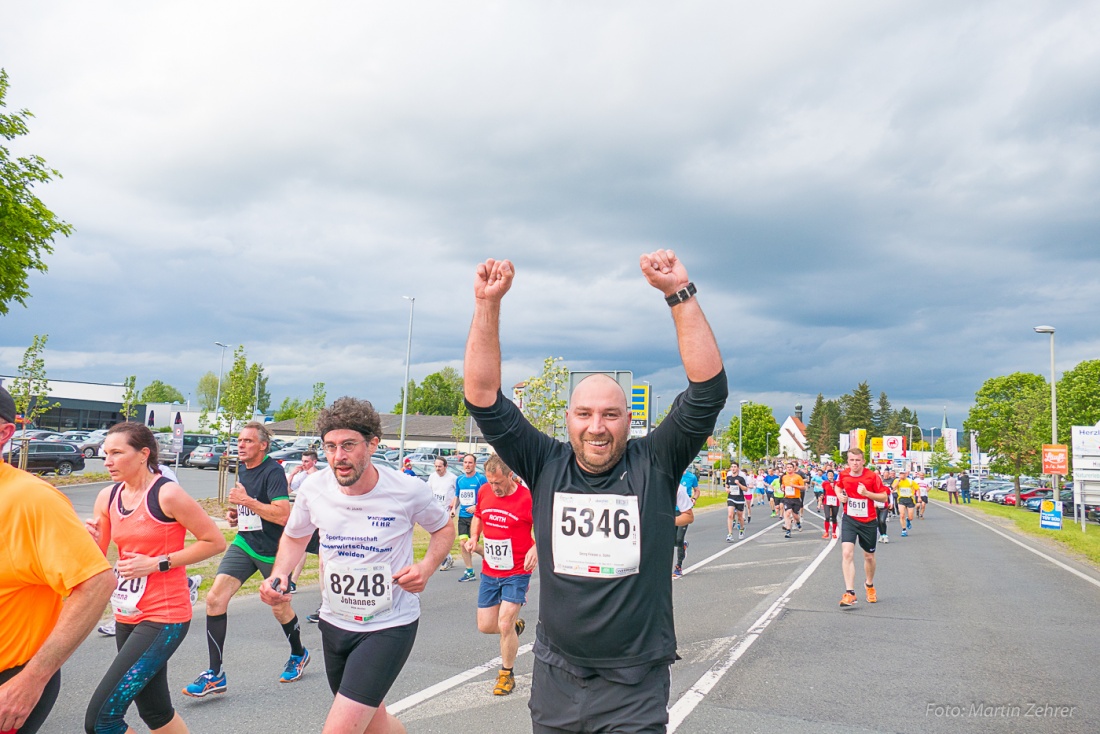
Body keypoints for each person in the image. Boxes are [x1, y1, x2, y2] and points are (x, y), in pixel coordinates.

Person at [463, 251, 727, 732]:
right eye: (584, 414)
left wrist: (678, 294)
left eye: (610, 415)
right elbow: (483, 397)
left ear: (630, 419)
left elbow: (707, 392)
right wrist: (487, 305)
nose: (597, 427)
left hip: (634, 683)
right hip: (557, 675)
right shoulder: (544, 463)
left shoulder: (657, 462)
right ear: (568, 419)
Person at [260, 397, 454, 733]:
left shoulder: (407, 490)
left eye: (349, 445)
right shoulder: (313, 489)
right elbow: (295, 537)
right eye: (330, 447)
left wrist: (426, 567)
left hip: (388, 626)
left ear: (373, 444)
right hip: (334, 622)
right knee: (373, 725)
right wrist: (279, 574)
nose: (339, 456)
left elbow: (443, 528)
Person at [84, 423, 226, 734]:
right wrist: (85, 538)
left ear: (143, 454)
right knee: (156, 712)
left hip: (165, 617)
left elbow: (214, 541)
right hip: (127, 612)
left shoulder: (167, 494)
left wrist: (158, 563)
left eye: (117, 453)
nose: (107, 460)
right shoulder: (108, 496)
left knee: (101, 722)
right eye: (106, 453)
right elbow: (97, 556)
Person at [0, 386, 115, 734]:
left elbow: (97, 584)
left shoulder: (32, 500)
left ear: (5, 433)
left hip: (10, 680)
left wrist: (32, 680)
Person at [184, 421, 308, 698]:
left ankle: (298, 653)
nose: (241, 445)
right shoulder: (243, 468)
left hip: (275, 551)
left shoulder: (273, 471)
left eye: (248, 441)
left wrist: (246, 501)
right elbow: (253, 508)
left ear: (263, 445)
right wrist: (238, 515)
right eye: (239, 441)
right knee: (215, 599)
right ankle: (215, 674)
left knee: (279, 608)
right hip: (245, 543)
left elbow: (281, 514)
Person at [464, 455, 537, 695]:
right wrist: (474, 537)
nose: (494, 487)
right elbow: (478, 516)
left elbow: (545, 525)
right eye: (490, 482)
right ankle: (513, 628)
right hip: (490, 569)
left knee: (503, 622)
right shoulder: (484, 491)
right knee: (486, 626)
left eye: (498, 482)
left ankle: (506, 674)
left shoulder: (527, 498)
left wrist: (536, 548)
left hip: (517, 570)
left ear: (510, 475)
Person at [835, 448, 889, 608]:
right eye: (851, 460)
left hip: (869, 521)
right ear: (848, 461)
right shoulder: (844, 474)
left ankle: (869, 585)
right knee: (847, 553)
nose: (854, 463)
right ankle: (850, 593)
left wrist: (867, 494)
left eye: (857, 460)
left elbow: (884, 496)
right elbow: (838, 486)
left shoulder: (872, 476)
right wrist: (839, 495)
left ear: (863, 461)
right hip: (850, 519)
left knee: (869, 557)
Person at [454, 454, 487, 583]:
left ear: (474, 464)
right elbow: (457, 496)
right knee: (463, 543)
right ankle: (469, 571)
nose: (467, 465)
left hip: (476, 517)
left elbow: (487, 497)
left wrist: (476, 506)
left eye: (470, 463)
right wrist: (452, 509)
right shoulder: (460, 479)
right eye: (465, 462)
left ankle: (489, 558)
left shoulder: (480, 479)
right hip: (462, 516)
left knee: (471, 544)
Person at [427, 457, 458, 572]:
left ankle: (447, 558)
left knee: (442, 535)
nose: (437, 469)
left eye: (440, 466)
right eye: (435, 466)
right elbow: (428, 490)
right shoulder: (432, 477)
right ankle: (447, 556)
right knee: (435, 535)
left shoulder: (452, 478)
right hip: (435, 509)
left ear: (445, 466)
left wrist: (454, 506)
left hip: (447, 510)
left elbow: (457, 493)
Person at [673, 466, 699, 573]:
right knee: (672, 540)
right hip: (672, 510)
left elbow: (697, 490)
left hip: (684, 510)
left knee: (679, 538)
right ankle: (683, 545)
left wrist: (694, 498)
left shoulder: (691, 477)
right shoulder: (673, 474)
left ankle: (678, 565)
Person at [781, 462, 805, 538]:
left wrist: (794, 486)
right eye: (787, 467)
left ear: (793, 468)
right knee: (787, 513)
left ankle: (798, 523)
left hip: (796, 498)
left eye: (790, 467)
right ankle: (788, 531)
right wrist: (782, 488)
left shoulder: (798, 477)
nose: (789, 469)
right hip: (787, 498)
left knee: (795, 515)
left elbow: (803, 487)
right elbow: (783, 485)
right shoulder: (784, 477)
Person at [725, 462, 748, 541]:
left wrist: (739, 484)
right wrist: (727, 489)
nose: (733, 468)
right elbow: (727, 485)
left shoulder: (741, 478)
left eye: (735, 467)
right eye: (732, 467)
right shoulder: (729, 477)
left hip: (740, 499)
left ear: (738, 468)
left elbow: (745, 489)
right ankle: (730, 534)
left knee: (740, 517)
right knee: (730, 515)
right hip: (731, 498)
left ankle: (741, 529)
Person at [893, 471, 918, 537]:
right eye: (900, 474)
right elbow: (893, 487)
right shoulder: (896, 480)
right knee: (902, 515)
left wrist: (919, 497)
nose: (902, 476)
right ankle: (904, 530)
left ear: (906, 475)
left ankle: (908, 520)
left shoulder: (910, 481)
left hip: (910, 499)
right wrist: (898, 481)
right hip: (901, 499)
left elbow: (917, 488)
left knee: (911, 517)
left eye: (903, 474)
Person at [821, 469, 840, 539]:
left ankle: (834, 532)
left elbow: (840, 491)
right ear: (827, 476)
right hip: (827, 501)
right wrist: (821, 501)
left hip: (835, 501)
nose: (830, 476)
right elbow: (823, 492)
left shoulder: (837, 483)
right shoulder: (824, 483)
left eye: (831, 475)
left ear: (833, 476)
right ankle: (826, 532)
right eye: (829, 475)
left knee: (834, 517)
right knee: (827, 517)